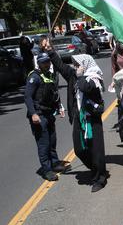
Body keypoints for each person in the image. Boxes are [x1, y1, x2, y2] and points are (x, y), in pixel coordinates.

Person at [48, 49, 109, 192]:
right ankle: (94, 168)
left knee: (96, 149)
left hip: (91, 118)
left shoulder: (94, 77)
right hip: (78, 118)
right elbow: (61, 66)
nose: (75, 67)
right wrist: (50, 51)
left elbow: (86, 88)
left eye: (77, 64)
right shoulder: (74, 76)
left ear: (84, 64)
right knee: (79, 149)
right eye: (74, 64)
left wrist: (81, 75)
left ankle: (100, 177)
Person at [24, 52, 67, 181]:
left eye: (48, 61)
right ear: (39, 63)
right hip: (39, 114)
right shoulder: (34, 77)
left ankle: (55, 163)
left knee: (52, 141)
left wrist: (59, 106)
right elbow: (27, 97)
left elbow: (54, 92)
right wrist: (33, 114)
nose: (47, 64)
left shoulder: (49, 75)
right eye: (44, 62)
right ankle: (47, 170)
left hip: (49, 113)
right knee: (44, 144)